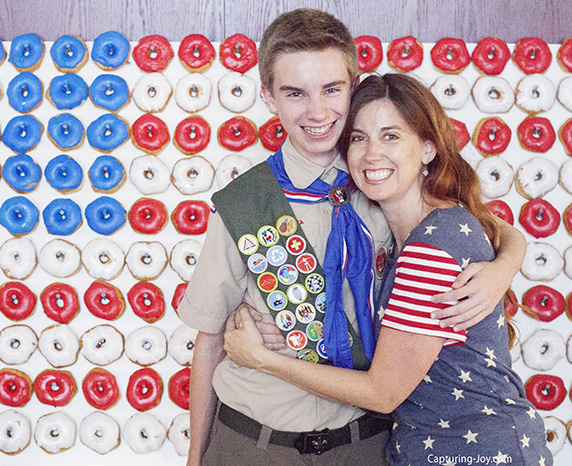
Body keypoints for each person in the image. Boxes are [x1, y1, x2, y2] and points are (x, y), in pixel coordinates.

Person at [178, 9, 526, 466]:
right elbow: (209, 341)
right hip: (254, 442)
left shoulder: (379, 178)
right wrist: (194, 456)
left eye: (331, 89)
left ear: (353, 84)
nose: (318, 112)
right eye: (294, 93)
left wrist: (506, 263)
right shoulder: (246, 204)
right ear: (268, 97)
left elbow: (469, 221)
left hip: (365, 441)